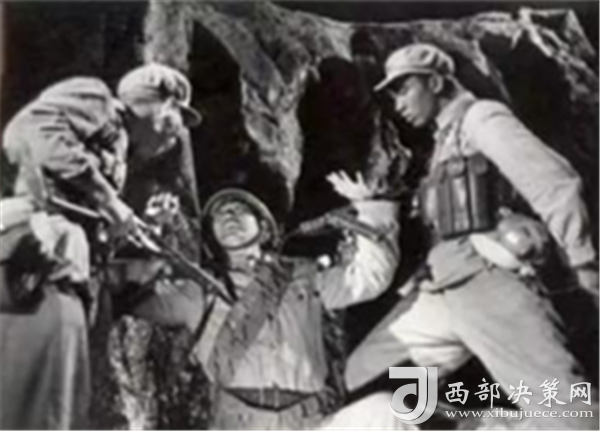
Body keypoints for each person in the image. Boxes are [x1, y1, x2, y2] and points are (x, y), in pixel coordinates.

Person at [344, 43, 598, 429]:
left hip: (490, 286)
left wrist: (583, 265)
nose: (398, 103)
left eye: (404, 89)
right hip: (443, 290)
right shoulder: (443, 140)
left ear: (435, 82)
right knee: (363, 375)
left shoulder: (481, 119)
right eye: (393, 95)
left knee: (568, 413)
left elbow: (554, 184)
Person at [0, 63, 201, 429]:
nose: (177, 132)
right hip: (37, 257)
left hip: (63, 272)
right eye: (175, 114)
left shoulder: (118, 152)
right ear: (152, 103)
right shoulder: (99, 101)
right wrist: (109, 201)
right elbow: (27, 130)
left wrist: (134, 226)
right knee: (37, 400)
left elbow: (95, 237)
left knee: (54, 405)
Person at [126, 173, 409, 429]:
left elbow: (371, 278)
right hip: (241, 425)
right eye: (220, 215)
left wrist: (369, 207)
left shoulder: (303, 278)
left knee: (386, 412)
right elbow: (127, 292)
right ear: (212, 234)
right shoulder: (198, 291)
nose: (230, 217)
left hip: (310, 422)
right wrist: (148, 226)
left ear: (263, 227)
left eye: (240, 210)